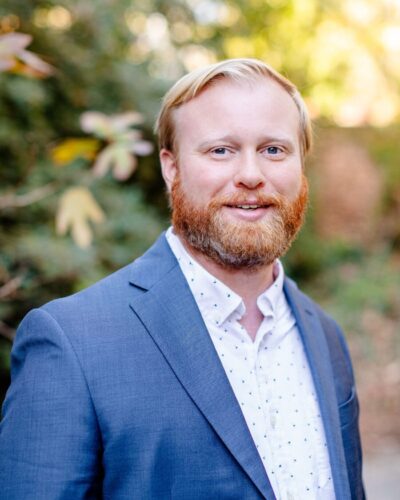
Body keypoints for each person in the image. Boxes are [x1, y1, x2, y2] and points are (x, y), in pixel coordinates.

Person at [0, 58, 364, 500]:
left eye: (273, 150)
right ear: (171, 168)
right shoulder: (73, 342)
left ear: (300, 166)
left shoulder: (325, 336)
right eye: (220, 150)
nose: (251, 175)